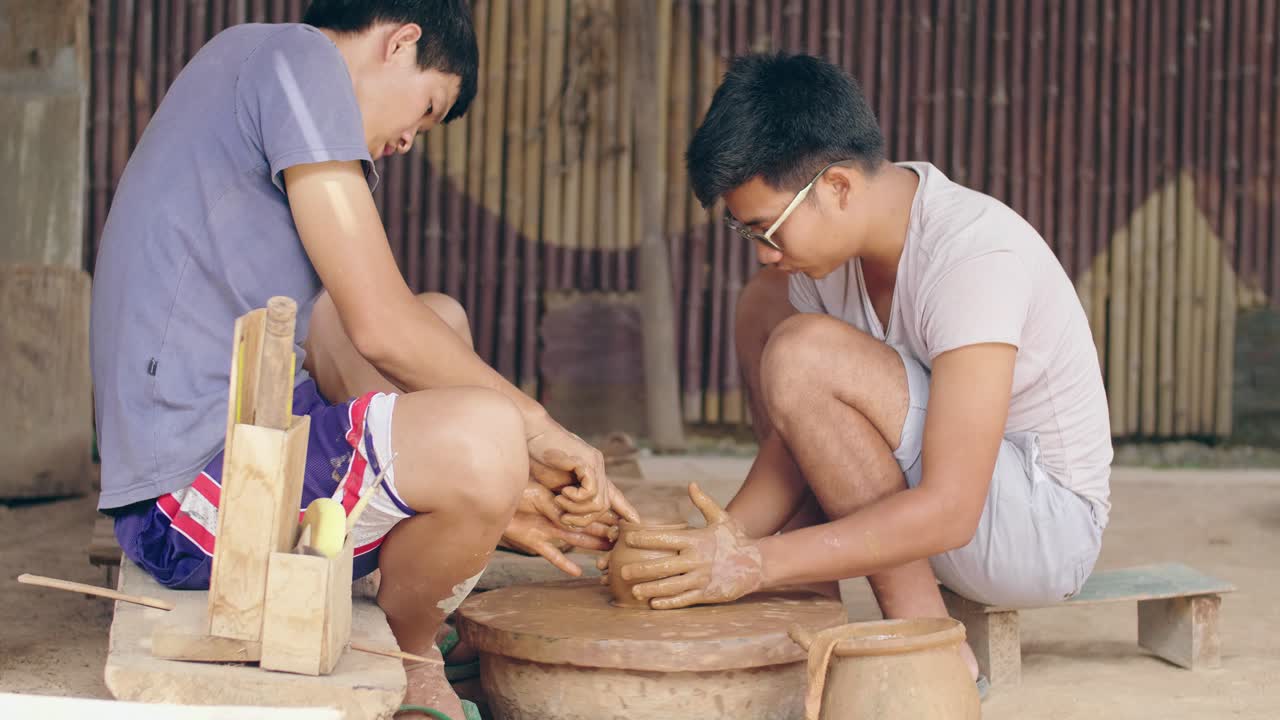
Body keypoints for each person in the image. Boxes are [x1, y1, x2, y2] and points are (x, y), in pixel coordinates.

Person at [90, 2, 636, 717]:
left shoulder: (249, 62)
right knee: (485, 436)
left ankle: (429, 554)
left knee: (442, 323)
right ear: (401, 42)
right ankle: (404, 652)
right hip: (190, 506)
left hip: (209, 461)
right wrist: (534, 430)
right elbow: (379, 326)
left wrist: (499, 497)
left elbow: (345, 327)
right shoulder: (300, 61)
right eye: (428, 108)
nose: (410, 139)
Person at [613, 52, 1112, 687]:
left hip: (1038, 532)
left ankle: (930, 650)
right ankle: (813, 590)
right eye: (747, 235)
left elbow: (953, 510)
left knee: (803, 352)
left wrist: (753, 563)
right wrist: (712, 543)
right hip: (948, 518)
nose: (765, 254)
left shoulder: (973, 253)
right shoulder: (830, 262)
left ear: (839, 187)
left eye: (766, 230)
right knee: (766, 311)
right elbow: (797, 435)